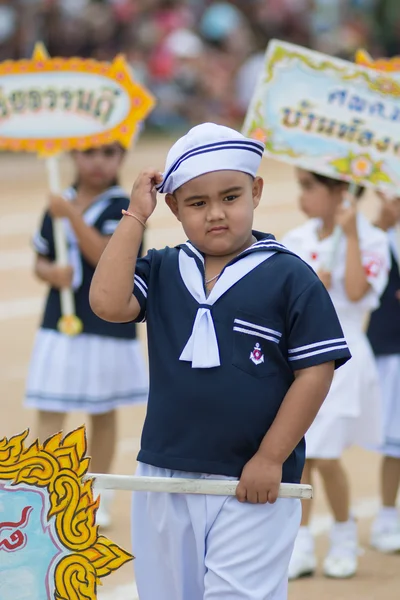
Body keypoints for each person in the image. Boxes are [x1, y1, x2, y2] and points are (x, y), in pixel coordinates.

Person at [89, 123, 351, 600]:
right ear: (174, 207)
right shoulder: (165, 266)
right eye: (197, 203)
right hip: (165, 476)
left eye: (231, 197)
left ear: (256, 191)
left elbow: (315, 372)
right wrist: (134, 217)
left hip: (253, 482)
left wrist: (271, 458)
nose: (216, 214)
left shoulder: (289, 275)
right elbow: (108, 302)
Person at [25, 143, 148, 528]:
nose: (98, 162)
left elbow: (105, 255)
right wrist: (49, 273)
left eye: (109, 153)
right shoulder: (60, 201)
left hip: (106, 324)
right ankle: (41, 494)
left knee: (102, 410)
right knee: (50, 407)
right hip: (60, 323)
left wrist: (72, 217)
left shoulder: (122, 209)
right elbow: (42, 258)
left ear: (121, 158)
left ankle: (96, 495)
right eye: (89, 153)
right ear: (72, 157)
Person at [282, 170, 390, 580]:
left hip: (343, 359)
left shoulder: (372, 239)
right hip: (300, 358)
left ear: (340, 192)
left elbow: (360, 293)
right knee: (301, 454)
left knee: (325, 455)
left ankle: (344, 537)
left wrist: (351, 236)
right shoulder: (296, 238)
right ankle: (303, 543)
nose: (303, 197)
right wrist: (312, 286)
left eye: (310, 188)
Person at [367, 193, 400, 553]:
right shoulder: (379, 236)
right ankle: (387, 517)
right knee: (396, 438)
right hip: (392, 348)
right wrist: (381, 224)